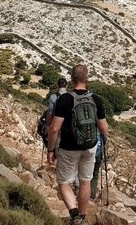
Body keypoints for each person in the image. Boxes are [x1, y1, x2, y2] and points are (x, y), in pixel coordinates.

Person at [46, 65, 108, 225]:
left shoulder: (65, 99)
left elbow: (54, 128)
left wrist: (51, 149)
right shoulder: (96, 99)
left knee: (64, 182)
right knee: (85, 181)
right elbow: (104, 128)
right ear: (87, 79)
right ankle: (83, 215)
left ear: (72, 80)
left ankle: (75, 216)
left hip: (69, 147)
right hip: (90, 147)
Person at [38, 77, 68, 149]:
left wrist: (47, 126)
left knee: (54, 148)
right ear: (66, 86)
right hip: (67, 127)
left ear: (57, 86)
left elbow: (50, 113)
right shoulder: (71, 97)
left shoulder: (53, 97)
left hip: (55, 126)